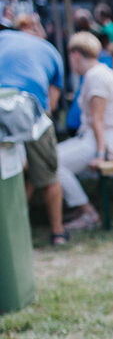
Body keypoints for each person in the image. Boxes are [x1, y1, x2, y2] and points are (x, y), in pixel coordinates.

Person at [56, 31, 113, 230]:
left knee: (52, 164)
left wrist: (100, 154)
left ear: (75, 55)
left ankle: (88, 213)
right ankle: (78, 206)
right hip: (96, 138)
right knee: (51, 158)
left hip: (106, 141)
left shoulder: (96, 77)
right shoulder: (99, 72)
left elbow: (97, 119)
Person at [0, 16, 68, 245]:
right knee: (48, 174)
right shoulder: (49, 49)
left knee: (7, 173)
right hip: (32, 110)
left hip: (2, 105)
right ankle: (58, 233)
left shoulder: (3, 38)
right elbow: (52, 101)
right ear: (38, 31)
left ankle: (9, 228)